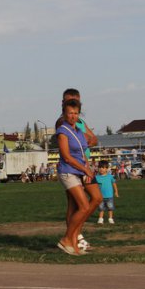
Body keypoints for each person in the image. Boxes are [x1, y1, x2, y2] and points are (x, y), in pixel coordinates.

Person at [55, 88, 102, 250]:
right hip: (72, 168)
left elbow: (94, 139)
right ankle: (73, 237)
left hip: (83, 165)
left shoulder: (79, 123)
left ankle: (75, 234)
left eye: (76, 102)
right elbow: (67, 153)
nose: (73, 106)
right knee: (75, 205)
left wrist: (86, 142)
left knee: (96, 199)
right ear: (64, 105)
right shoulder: (62, 123)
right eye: (70, 101)